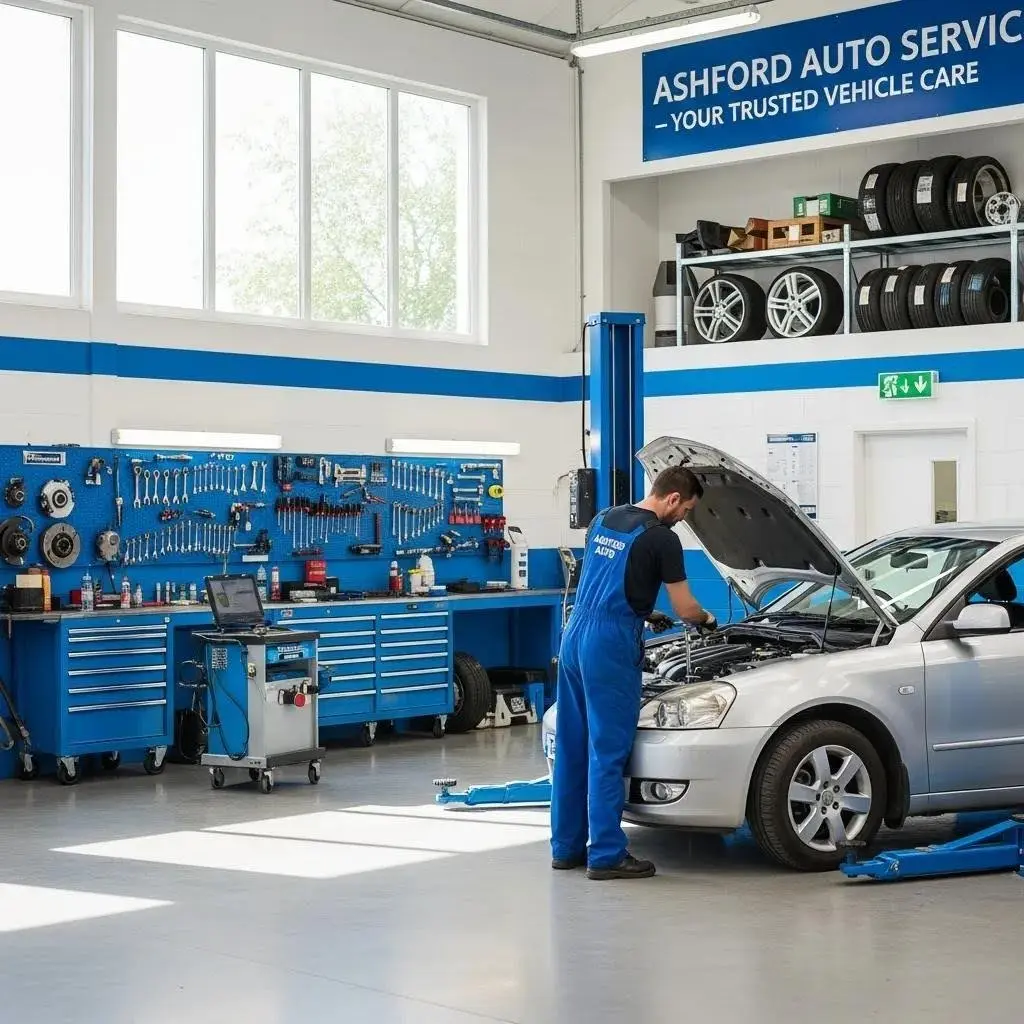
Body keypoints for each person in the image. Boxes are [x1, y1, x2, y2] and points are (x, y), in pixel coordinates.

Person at [550, 465, 717, 880]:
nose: (685, 518)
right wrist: (708, 619)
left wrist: (646, 611)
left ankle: (566, 848)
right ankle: (606, 854)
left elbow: (606, 582)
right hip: (610, 645)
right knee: (607, 751)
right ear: (674, 499)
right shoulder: (663, 539)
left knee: (573, 743)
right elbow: (687, 609)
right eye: (688, 509)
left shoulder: (604, 518)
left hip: (575, 634)